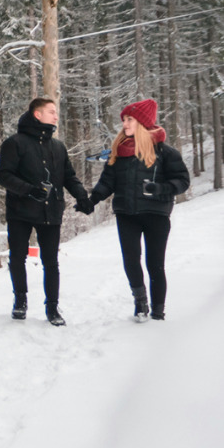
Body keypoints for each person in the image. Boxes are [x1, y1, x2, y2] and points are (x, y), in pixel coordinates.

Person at [80, 99, 189, 321]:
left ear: (142, 122)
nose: (125, 124)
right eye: (124, 120)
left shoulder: (165, 153)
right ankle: (140, 303)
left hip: (156, 215)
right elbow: (107, 181)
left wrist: (159, 188)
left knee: (154, 264)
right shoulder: (119, 152)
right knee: (131, 260)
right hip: (126, 213)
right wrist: (92, 200)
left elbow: (182, 181)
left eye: (129, 119)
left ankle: (158, 311)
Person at [0, 97, 89, 326]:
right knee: (17, 257)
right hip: (20, 210)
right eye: (52, 112)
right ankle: (20, 301)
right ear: (38, 114)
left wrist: (82, 196)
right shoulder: (15, 143)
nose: (56, 116)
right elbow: (3, 175)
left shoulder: (58, 146)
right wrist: (28, 190)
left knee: (51, 261)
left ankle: (53, 308)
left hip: (51, 210)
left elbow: (69, 176)